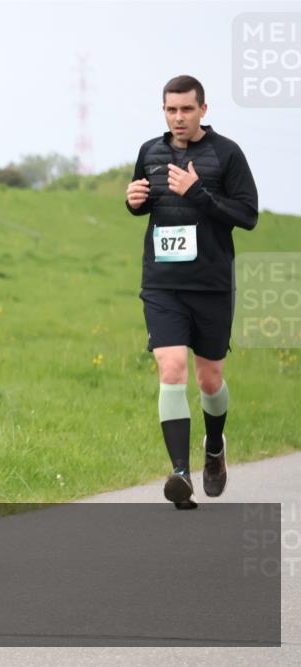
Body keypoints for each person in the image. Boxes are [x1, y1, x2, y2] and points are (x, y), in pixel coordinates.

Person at [125, 75, 258, 509]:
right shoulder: (150, 152)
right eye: (170, 109)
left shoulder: (227, 154)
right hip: (163, 283)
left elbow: (248, 214)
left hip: (212, 284)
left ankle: (214, 447)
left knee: (210, 378)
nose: (178, 117)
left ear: (203, 109)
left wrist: (197, 191)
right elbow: (145, 202)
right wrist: (134, 200)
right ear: (163, 110)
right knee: (171, 369)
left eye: (186, 109)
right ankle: (180, 473)